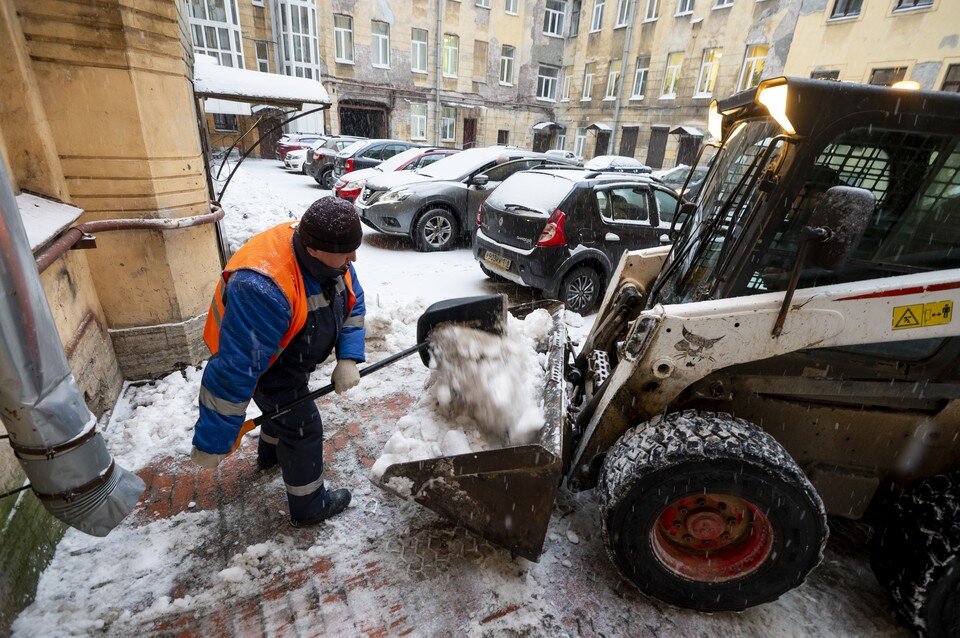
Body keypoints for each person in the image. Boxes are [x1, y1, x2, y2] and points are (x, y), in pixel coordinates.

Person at [190, 196, 366, 527]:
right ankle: (310, 506)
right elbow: (235, 370)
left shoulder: (334, 257)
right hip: (266, 366)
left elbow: (354, 302)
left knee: (281, 413)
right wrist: (213, 441)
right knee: (303, 428)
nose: (353, 259)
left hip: (290, 358)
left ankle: (270, 456)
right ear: (314, 249)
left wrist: (349, 357)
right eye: (347, 252)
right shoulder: (263, 287)